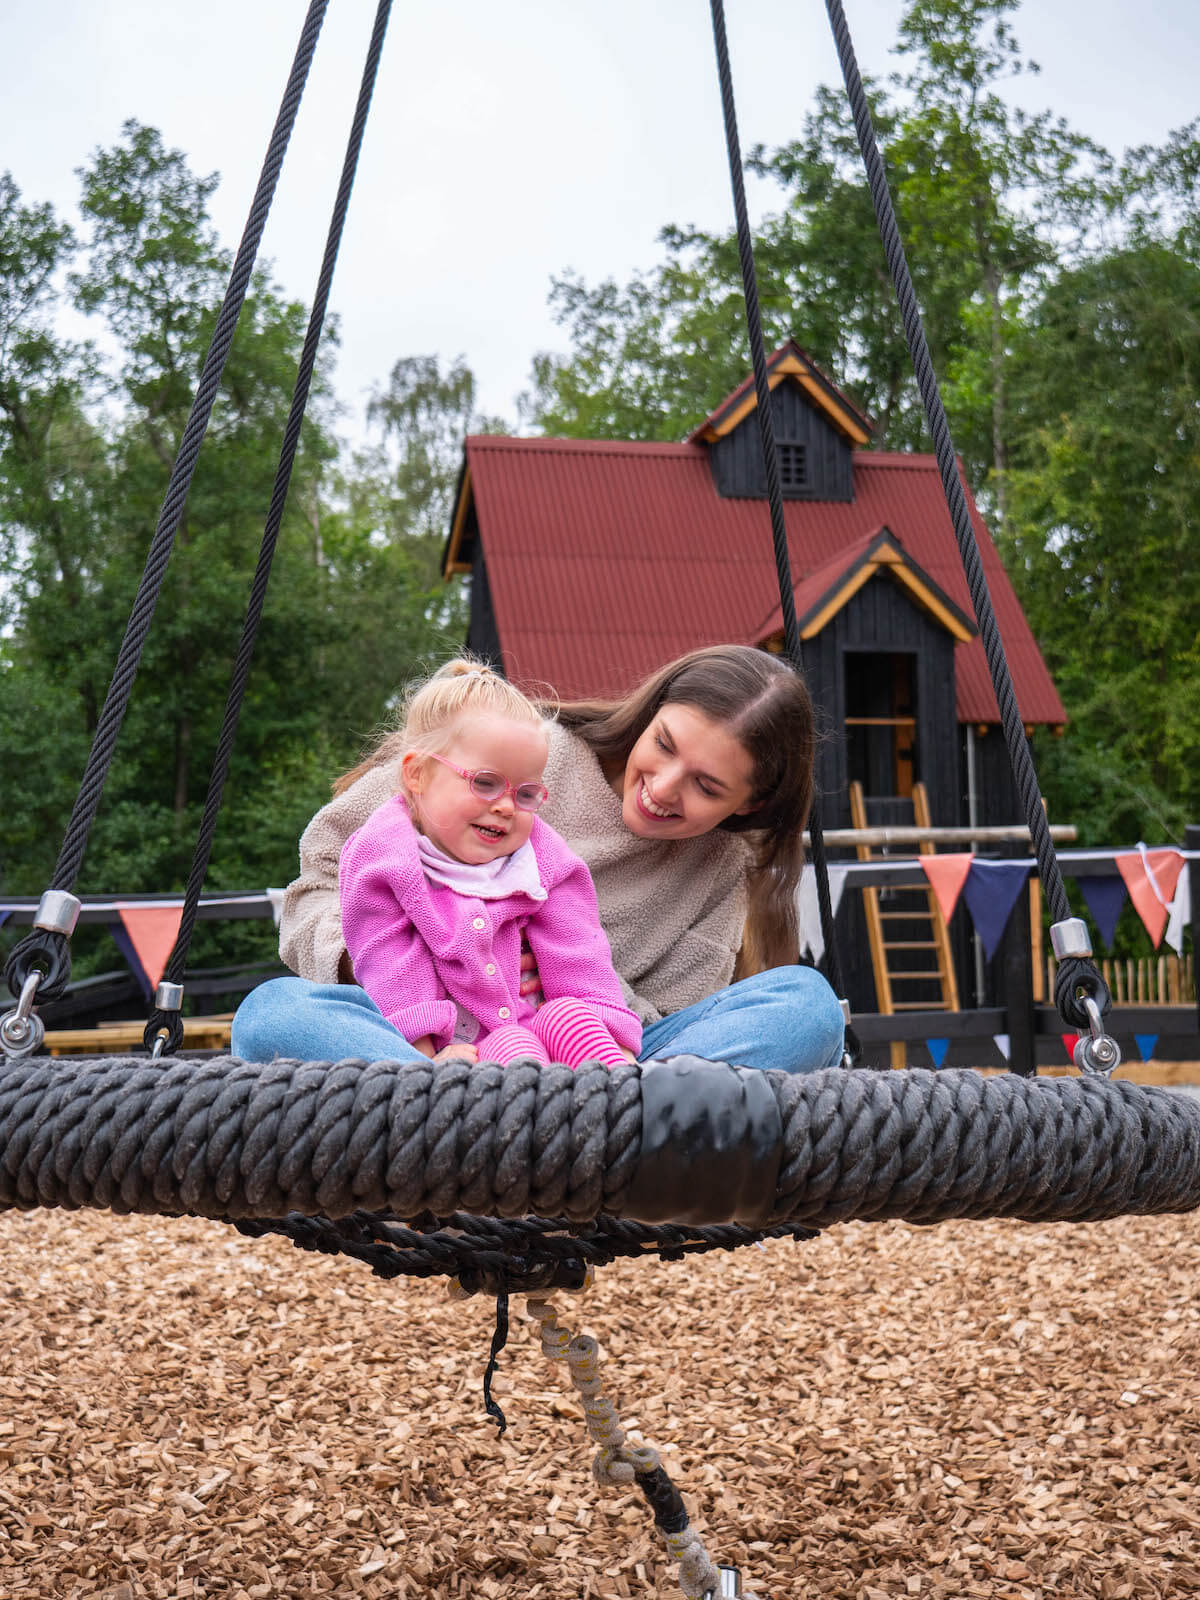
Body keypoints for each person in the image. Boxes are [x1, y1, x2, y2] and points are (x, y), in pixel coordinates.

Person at [231, 644, 846, 1073]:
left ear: (751, 803)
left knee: (806, 1006)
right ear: (651, 711)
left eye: (707, 787)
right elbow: (319, 879)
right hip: (424, 1044)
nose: (662, 787)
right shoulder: (515, 751)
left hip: (597, 1062)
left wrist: (556, 1006)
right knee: (270, 1015)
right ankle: (464, 1109)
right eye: (663, 745)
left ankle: (547, 1127)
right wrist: (394, 977)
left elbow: (670, 1018)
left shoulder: (719, 868)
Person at [338, 659, 640, 1068]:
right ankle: (531, 1118)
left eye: (525, 794)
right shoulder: (384, 858)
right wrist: (421, 1055)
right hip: (465, 1047)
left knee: (571, 1017)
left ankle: (622, 1095)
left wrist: (615, 1040)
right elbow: (389, 960)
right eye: (484, 782)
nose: (504, 806)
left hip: (545, 1025)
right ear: (417, 775)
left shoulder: (543, 860)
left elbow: (579, 953)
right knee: (281, 1009)